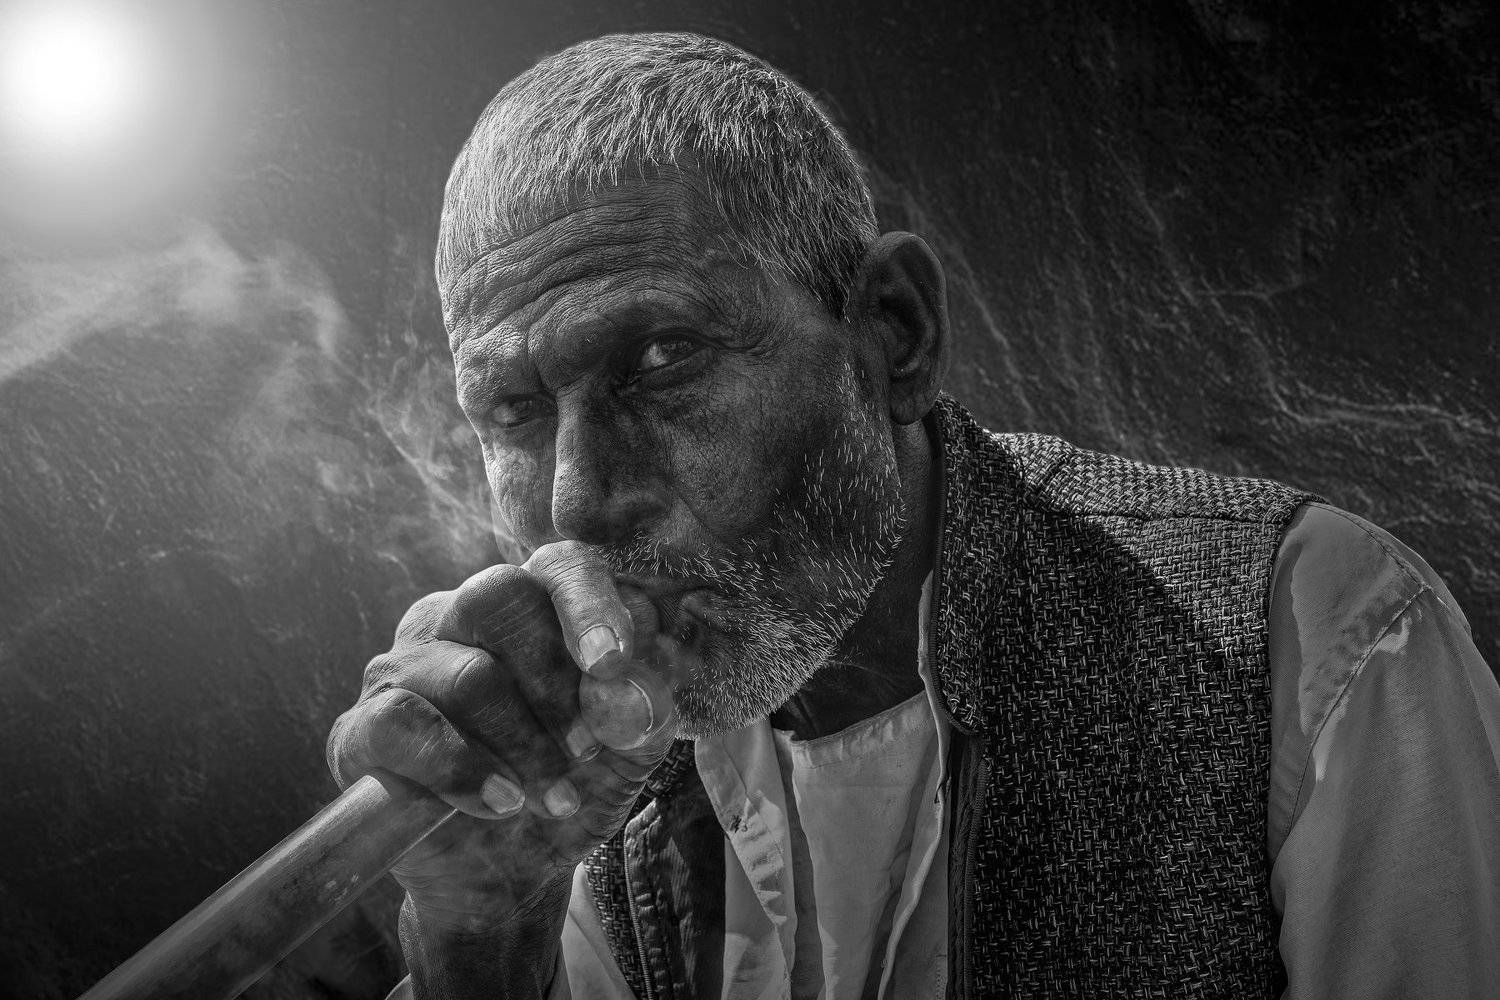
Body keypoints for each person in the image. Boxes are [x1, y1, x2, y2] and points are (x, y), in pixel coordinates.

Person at [325, 31, 1500, 1000]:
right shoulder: (586, 781)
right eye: (517, 410)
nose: (578, 498)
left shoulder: (1317, 626)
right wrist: (479, 943)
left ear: (893, 333)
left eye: (663, 355)